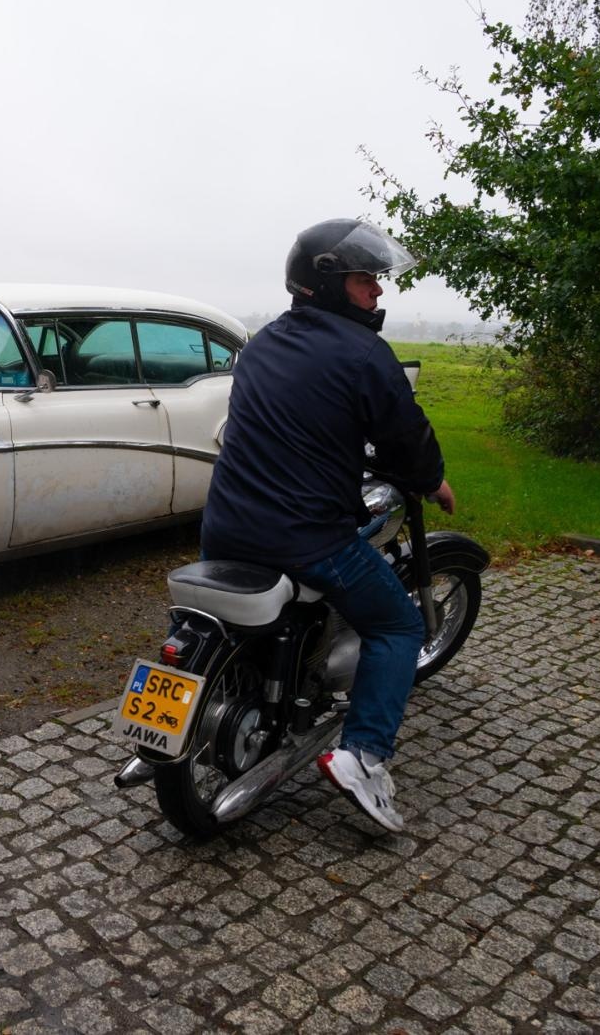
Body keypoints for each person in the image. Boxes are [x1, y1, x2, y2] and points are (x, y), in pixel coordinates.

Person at [200, 218, 455, 832]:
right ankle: (363, 757)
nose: (377, 291)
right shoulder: (365, 353)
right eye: (367, 279)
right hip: (306, 535)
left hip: (226, 525)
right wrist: (431, 480)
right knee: (396, 623)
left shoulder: (263, 342)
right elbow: (405, 440)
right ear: (332, 282)